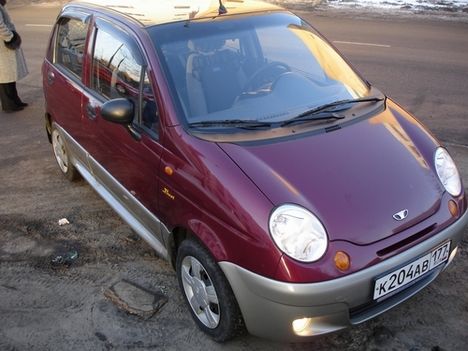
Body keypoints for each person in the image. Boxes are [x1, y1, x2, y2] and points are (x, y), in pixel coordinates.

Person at [0, 0, 28, 113]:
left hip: (4, 46)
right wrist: (10, 37)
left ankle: (15, 100)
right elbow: (0, 26)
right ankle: (9, 105)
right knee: (4, 76)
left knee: (9, 75)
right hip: (2, 45)